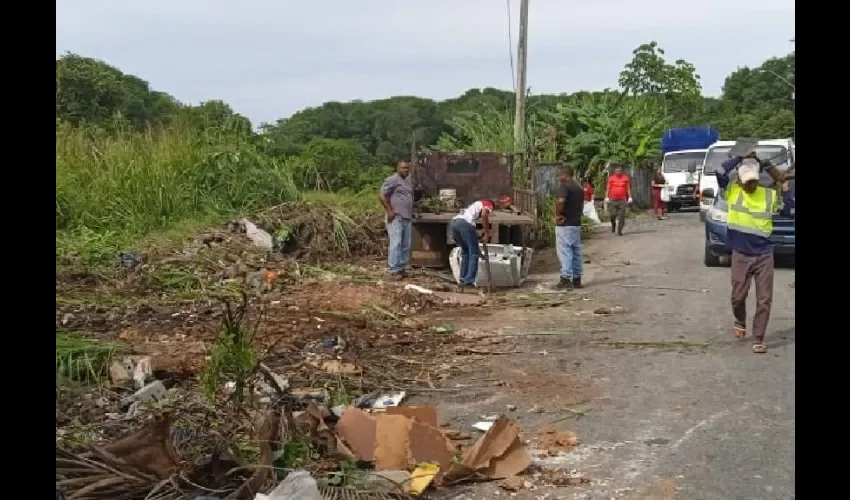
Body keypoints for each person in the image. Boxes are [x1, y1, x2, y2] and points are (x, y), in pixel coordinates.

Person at [716, 152, 791, 354]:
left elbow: (787, 208)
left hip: (764, 254)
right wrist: (740, 158)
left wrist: (771, 170)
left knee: (764, 298)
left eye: (754, 180)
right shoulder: (732, 191)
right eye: (747, 180)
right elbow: (720, 170)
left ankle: (758, 337)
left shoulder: (768, 195)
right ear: (739, 180)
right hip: (741, 253)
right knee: (738, 297)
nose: (751, 184)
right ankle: (740, 320)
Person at [451, 195, 511, 288]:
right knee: (473, 254)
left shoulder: (475, 205)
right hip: (465, 224)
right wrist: (486, 233)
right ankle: (469, 281)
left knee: (466, 252)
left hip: (454, 223)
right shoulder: (488, 204)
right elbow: (484, 215)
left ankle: (462, 280)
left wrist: (481, 254)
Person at [378, 160, 414, 278]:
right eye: (403, 168)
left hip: (406, 217)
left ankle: (401, 268)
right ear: (397, 168)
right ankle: (393, 269)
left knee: (405, 245)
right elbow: (381, 195)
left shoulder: (407, 181)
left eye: (407, 168)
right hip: (396, 217)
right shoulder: (393, 179)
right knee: (396, 243)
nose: (405, 170)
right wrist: (389, 210)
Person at [555, 167, 586, 290]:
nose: (558, 178)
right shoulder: (578, 188)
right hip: (576, 223)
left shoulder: (564, 187)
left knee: (565, 251)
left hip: (565, 223)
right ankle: (577, 279)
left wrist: (558, 215)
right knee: (576, 251)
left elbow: (561, 201)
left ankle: (565, 278)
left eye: (559, 175)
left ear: (564, 175)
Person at [604, 164, 632, 235]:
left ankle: (619, 231)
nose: (618, 172)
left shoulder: (625, 178)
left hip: (622, 200)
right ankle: (613, 224)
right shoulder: (611, 178)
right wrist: (606, 197)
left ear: (621, 171)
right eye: (617, 171)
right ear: (614, 171)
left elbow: (628, 188)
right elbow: (608, 188)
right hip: (613, 199)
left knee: (621, 216)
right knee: (612, 215)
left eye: (619, 171)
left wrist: (630, 197)